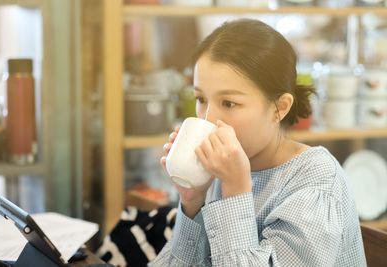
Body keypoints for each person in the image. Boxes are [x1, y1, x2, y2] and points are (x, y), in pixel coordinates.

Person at [149, 18, 366, 266]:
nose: (208, 119)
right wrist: (192, 201)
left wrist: (235, 192)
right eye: (200, 98)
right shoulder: (219, 172)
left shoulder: (316, 184)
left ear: (279, 108)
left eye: (229, 103)